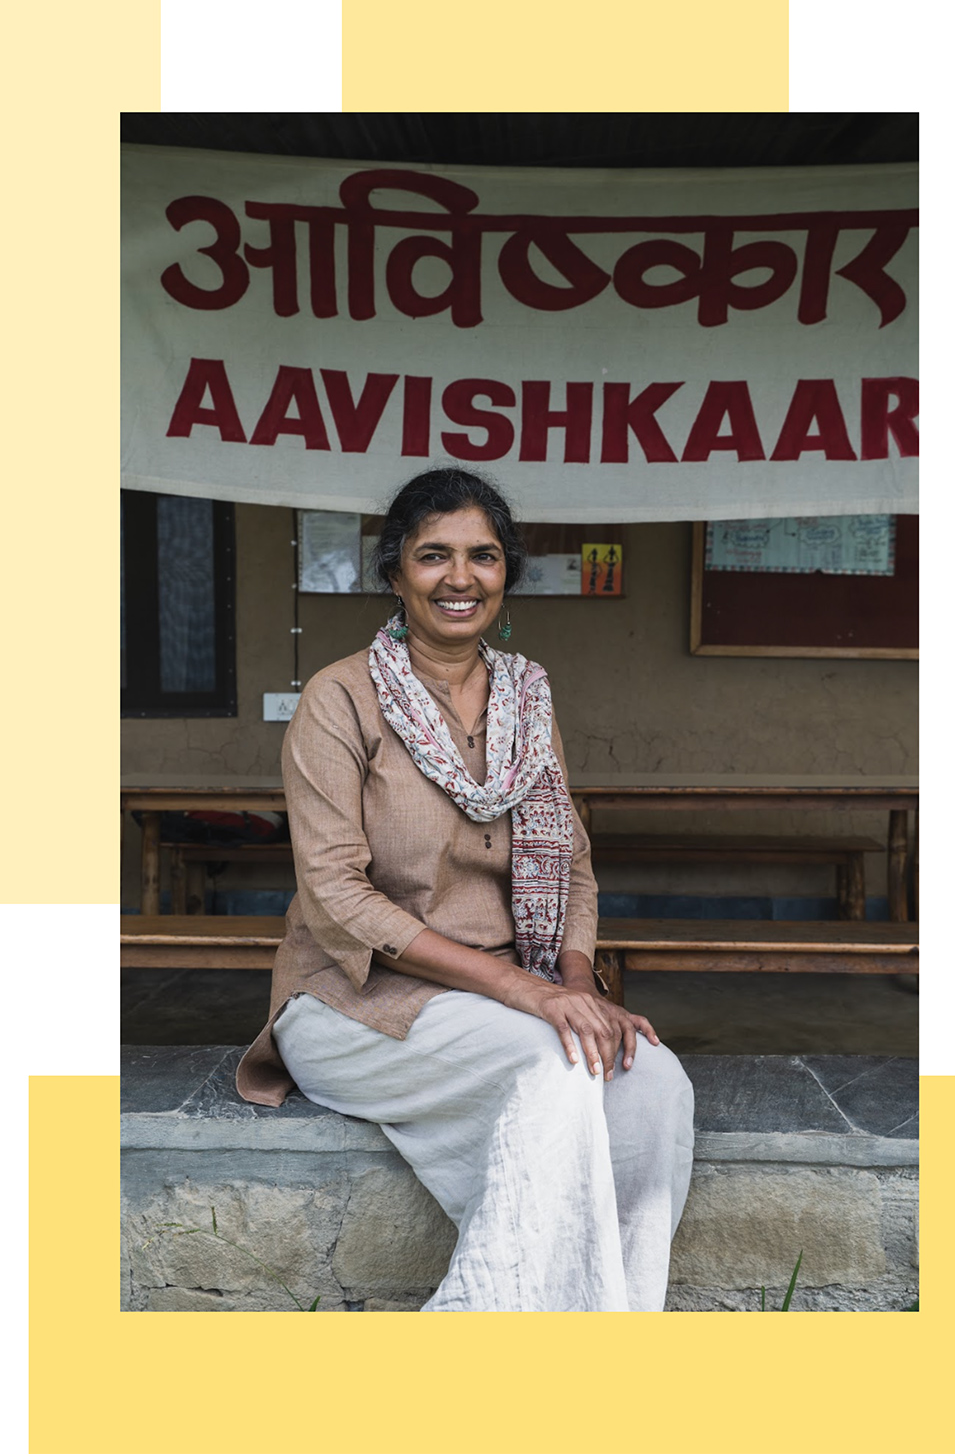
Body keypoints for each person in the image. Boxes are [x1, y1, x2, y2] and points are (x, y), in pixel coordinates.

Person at [235, 466, 693, 1312]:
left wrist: (578, 987)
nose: (459, 578)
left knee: (651, 1075)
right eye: (433, 555)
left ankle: (616, 1323)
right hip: (358, 1000)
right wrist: (531, 993)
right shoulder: (339, 699)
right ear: (396, 571)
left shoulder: (527, 694)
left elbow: (573, 860)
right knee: (557, 1068)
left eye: (482, 556)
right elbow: (335, 891)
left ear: (506, 572)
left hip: (511, 996)